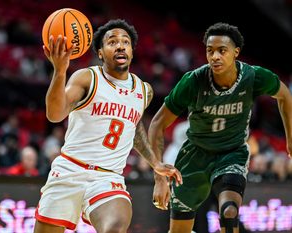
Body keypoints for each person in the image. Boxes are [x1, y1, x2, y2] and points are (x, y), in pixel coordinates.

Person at [34, 19, 182, 233]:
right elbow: (55, 115)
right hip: (69, 170)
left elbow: (134, 128)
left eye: (126, 42)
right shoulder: (87, 78)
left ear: (131, 51)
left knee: (115, 227)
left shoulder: (143, 90)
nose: (120, 45)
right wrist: (59, 72)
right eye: (112, 42)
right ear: (101, 53)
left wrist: (155, 163)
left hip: (107, 177)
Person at [148, 22, 292, 233]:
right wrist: (159, 177)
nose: (214, 56)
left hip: (231, 152)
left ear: (236, 52)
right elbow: (157, 124)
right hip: (194, 156)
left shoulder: (254, 76)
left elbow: (284, 96)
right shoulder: (193, 81)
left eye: (221, 51)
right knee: (179, 229)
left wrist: (290, 137)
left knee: (229, 212)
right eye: (210, 50)